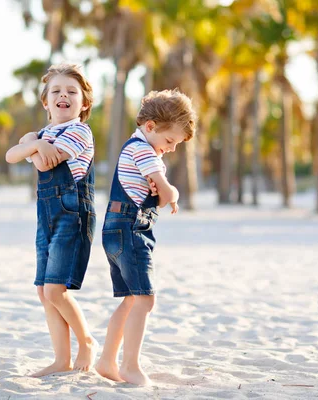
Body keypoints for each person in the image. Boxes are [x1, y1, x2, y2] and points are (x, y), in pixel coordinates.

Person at [95, 89, 197, 385]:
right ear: (150, 126)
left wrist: (160, 191)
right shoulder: (142, 150)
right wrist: (171, 192)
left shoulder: (140, 148)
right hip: (130, 228)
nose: (172, 148)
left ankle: (106, 361)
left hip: (118, 227)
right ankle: (129, 365)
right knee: (145, 300)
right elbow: (165, 192)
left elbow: (155, 189)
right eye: (170, 141)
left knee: (130, 300)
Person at [5, 63, 97, 376]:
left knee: (56, 290)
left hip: (72, 216)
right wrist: (36, 142)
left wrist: (32, 145)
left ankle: (86, 342)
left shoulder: (79, 131)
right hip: (46, 218)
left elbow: (45, 164)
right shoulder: (43, 134)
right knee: (44, 291)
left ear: (83, 103)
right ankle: (61, 359)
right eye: (56, 91)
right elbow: (10, 156)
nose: (64, 95)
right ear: (45, 102)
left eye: (72, 92)